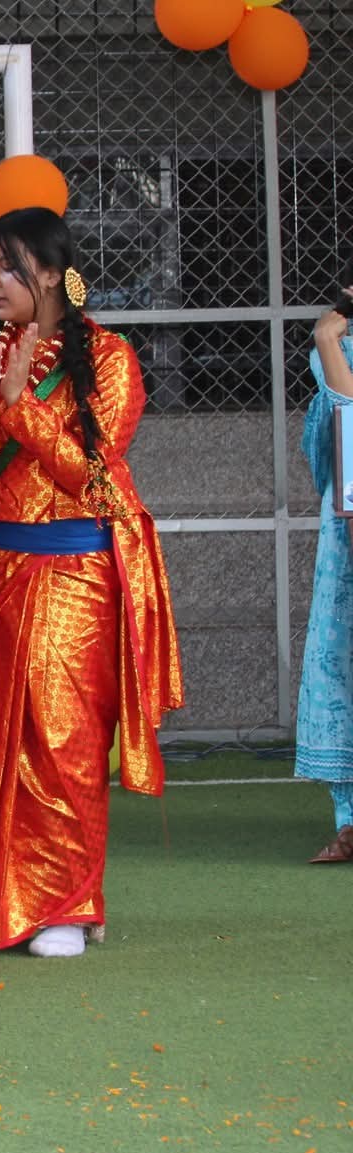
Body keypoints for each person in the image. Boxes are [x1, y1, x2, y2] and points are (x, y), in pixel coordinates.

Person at [0, 207, 182, 955]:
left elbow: (93, 476)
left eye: (9, 267)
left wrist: (18, 404)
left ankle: (64, 905)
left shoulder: (110, 358)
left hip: (73, 572)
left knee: (61, 740)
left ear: (52, 273)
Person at [296, 278, 353, 861]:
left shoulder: (334, 345)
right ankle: (350, 819)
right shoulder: (337, 345)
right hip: (348, 522)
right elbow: (344, 428)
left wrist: (328, 342)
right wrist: (330, 343)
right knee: (342, 657)